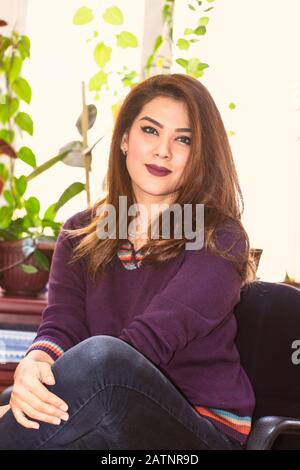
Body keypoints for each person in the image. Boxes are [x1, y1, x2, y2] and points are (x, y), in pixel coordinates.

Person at [0, 73, 256, 450]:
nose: (162, 151)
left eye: (183, 139)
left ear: (200, 154)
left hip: (200, 427)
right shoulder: (80, 232)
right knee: (23, 395)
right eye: (150, 131)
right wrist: (35, 362)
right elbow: (62, 325)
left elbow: (149, 340)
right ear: (124, 139)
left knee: (102, 360)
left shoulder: (219, 237)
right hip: (105, 410)